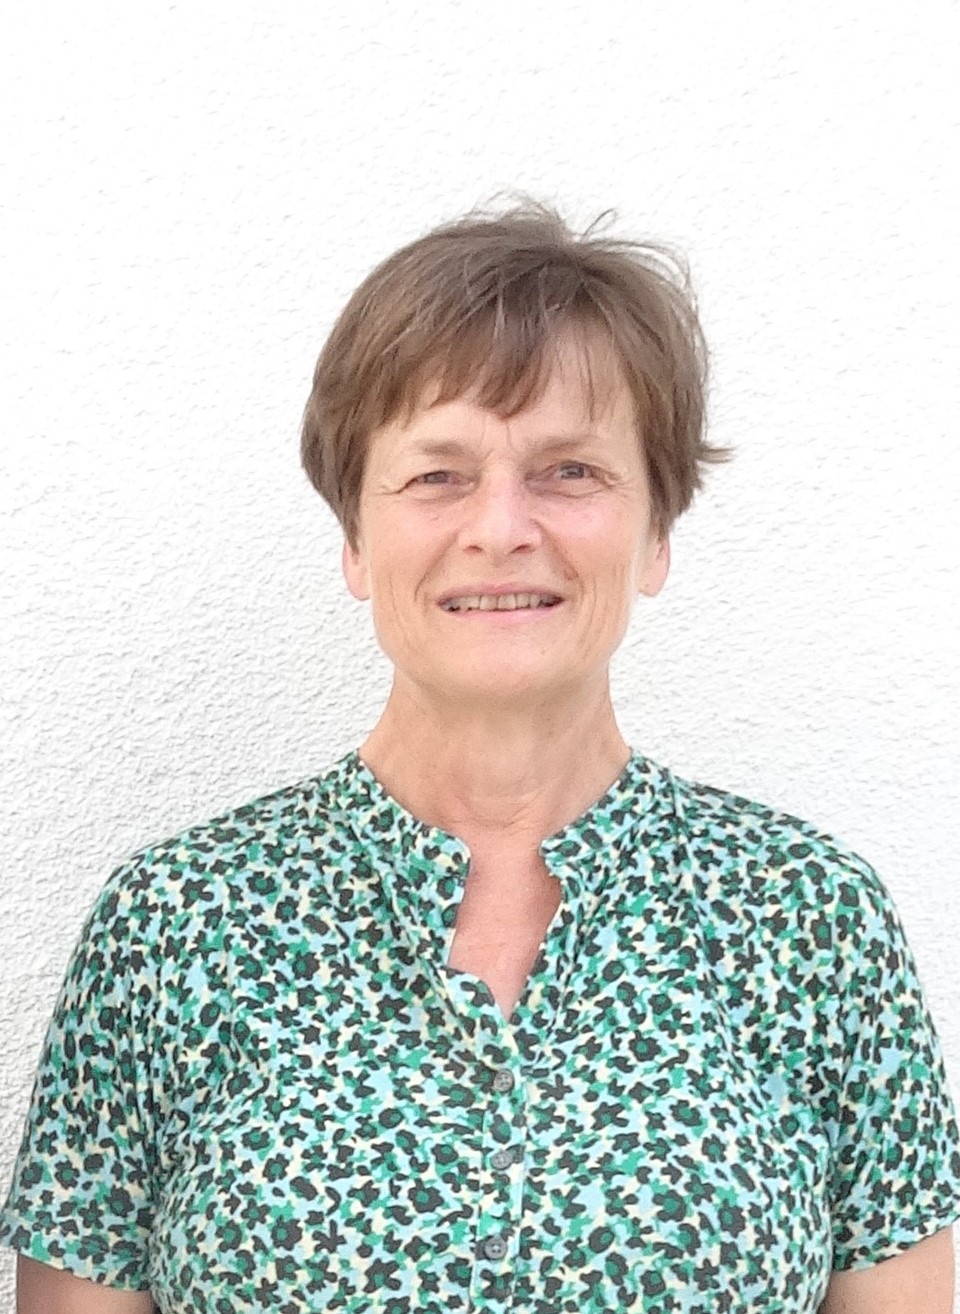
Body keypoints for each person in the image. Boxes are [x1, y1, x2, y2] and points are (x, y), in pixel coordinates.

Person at [2, 203, 959, 1314]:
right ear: (357, 541)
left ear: (657, 534)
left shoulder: (811, 916)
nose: (501, 527)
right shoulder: (175, 924)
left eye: (570, 470)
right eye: (438, 476)